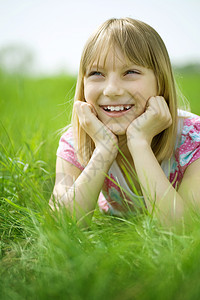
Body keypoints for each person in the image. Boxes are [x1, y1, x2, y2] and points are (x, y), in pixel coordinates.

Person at [50, 18, 200, 226]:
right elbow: (60, 226)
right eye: (96, 73)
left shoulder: (192, 137)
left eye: (130, 72)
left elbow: (183, 231)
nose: (112, 90)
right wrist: (103, 149)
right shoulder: (76, 141)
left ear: (161, 81)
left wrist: (139, 144)